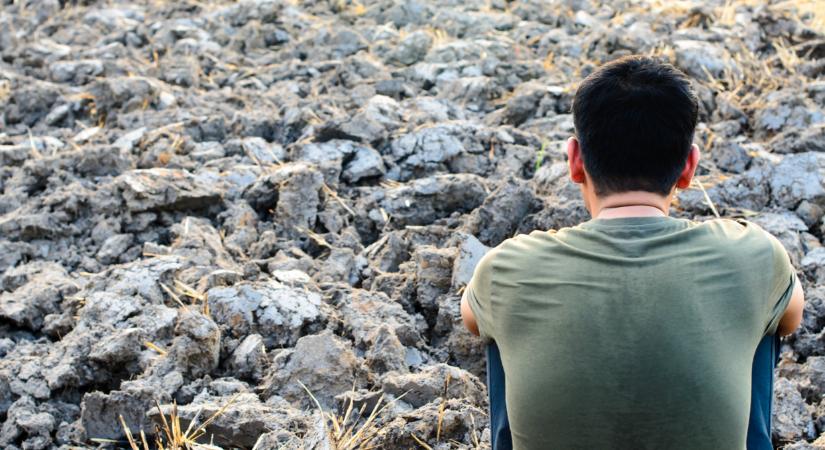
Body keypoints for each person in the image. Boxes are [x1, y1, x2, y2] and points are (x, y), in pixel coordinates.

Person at [460, 55, 805, 450]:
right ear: (689, 167)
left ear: (574, 161)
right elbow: (791, 317)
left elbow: (470, 318)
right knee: (763, 316)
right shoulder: (754, 254)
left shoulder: (507, 267)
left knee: (501, 323)